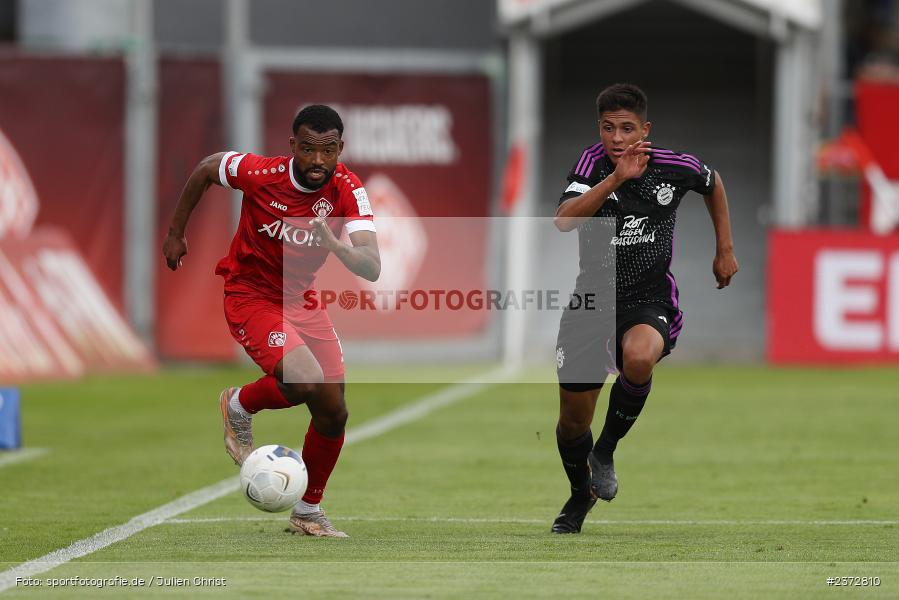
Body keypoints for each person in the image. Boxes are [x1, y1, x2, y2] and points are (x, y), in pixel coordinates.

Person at [162, 104, 380, 538]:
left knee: (333, 412)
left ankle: (307, 512)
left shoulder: (348, 189)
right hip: (251, 295)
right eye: (308, 149)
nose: (318, 161)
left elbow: (371, 266)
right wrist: (175, 232)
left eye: (328, 150)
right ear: (292, 146)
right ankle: (239, 404)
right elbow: (207, 168)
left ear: (341, 148)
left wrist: (333, 246)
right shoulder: (261, 174)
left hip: (302, 301)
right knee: (303, 381)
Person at [550, 83, 738, 534]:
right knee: (573, 422)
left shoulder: (674, 166)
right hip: (591, 302)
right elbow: (563, 220)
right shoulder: (591, 164)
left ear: (645, 129)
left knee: (639, 356)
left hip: (647, 298)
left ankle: (607, 450)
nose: (616, 138)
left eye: (627, 129)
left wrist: (724, 248)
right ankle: (581, 495)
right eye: (608, 128)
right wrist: (615, 179)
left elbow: (712, 183)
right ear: (599, 128)